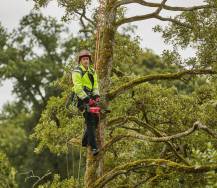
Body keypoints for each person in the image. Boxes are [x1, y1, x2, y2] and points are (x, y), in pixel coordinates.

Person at [72, 49, 100, 156]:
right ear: (80, 61)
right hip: (81, 99)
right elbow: (78, 88)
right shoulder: (77, 71)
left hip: (91, 97)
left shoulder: (92, 71)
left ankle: (84, 140)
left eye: (87, 59)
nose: (86, 61)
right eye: (84, 59)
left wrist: (96, 96)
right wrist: (87, 100)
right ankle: (94, 147)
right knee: (90, 122)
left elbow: (95, 86)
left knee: (96, 119)